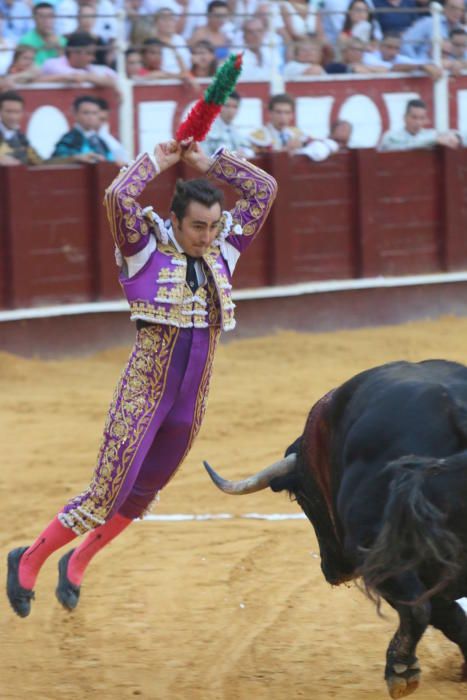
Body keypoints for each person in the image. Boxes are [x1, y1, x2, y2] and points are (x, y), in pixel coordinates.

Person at [6, 137, 277, 618]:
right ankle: (27, 558)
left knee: (143, 494)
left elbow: (264, 190)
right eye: (197, 226)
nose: (207, 236)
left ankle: (79, 559)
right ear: (174, 220)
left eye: (214, 226)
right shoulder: (142, 249)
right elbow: (116, 198)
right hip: (142, 398)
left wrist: (209, 163)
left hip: (188, 406)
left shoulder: (225, 251)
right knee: (105, 494)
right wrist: (160, 159)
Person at [39, 31, 119, 91]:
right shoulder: (51, 64)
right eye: (89, 53)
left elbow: (115, 80)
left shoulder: (90, 68)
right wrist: (91, 77)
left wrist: (87, 77)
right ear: (74, 52)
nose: (93, 58)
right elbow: (74, 76)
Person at [378, 97, 460, 151]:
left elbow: (458, 135)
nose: (418, 122)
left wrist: (454, 136)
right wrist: (434, 140)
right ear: (404, 118)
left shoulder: (430, 134)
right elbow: (405, 146)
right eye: (414, 117)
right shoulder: (391, 136)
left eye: (422, 118)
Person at [51, 94, 113, 163]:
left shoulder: (100, 141)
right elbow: (57, 160)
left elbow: (109, 161)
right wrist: (76, 158)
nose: (91, 117)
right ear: (75, 114)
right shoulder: (69, 139)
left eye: (94, 113)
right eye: (86, 113)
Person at [204, 91, 254, 156]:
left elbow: (249, 151)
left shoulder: (235, 131)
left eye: (235, 107)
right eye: (227, 106)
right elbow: (204, 157)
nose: (231, 111)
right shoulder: (207, 129)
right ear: (218, 106)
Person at [0, 90, 42, 165]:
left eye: (17, 112)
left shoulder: (21, 138)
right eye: (8, 111)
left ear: (22, 113)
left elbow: (40, 163)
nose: (12, 117)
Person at [18, 2, 66, 67]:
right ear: (34, 19)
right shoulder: (26, 42)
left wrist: (59, 49)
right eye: (42, 16)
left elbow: (67, 67)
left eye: (50, 16)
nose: (47, 20)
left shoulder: (62, 41)